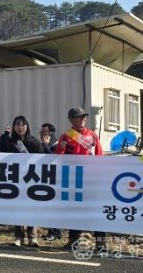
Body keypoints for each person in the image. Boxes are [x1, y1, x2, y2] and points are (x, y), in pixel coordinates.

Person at [56, 107, 105, 250]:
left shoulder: (93, 136)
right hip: (73, 179)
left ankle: (101, 241)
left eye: (84, 116)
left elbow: (99, 156)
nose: (83, 119)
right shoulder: (65, 136)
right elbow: (58, 158)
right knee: (74, 209)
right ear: (71, 119)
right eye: (79, 116)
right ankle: (73, 239)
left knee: (95, 209)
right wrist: (61, 147)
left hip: (90, 179)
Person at [1, 115, 44, 247]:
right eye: (18, 125)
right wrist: (5, 135)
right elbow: (1, 148)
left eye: (23, 125)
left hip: (31, 179)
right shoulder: (11, 141)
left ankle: (32, 237)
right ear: (14, 127)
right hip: (15, 179)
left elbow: (43, 157)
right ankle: (19, 237)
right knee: (17, 207)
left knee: (31, 207)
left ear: (27, 126)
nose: (20, 127)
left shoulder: (33, 141)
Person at [39, 122, 62, 241]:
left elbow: (53, 159)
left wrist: (46, 146)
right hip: (46, 179)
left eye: (44, 133)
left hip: (57, 180)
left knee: (55, 207)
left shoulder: (59, 145)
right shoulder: (43, 144)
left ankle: (55, 232)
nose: (42, 135)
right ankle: (52, 231)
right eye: (41, 133)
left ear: (51, 133)